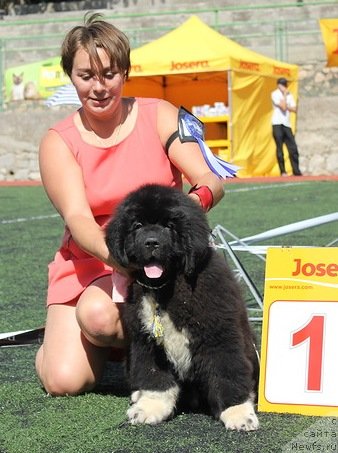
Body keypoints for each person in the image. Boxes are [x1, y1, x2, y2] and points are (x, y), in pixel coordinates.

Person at [35, 12, 225, 396]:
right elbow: (79, 219)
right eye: (86, 76)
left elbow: (210, 181)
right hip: (96, 260)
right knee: (65, 379)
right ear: (70, 76)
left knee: (110, 316)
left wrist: (186, 216)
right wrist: (125, 257)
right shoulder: (58, 142)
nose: (99, 87)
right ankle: (71, 340)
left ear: (125, 71)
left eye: (110, 74)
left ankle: (152, 351)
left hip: (167, 254)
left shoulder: (161, 115)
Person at [271, 77, 302, 176]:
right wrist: (284, 96)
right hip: (277, 123)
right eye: (282, 85)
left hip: (286, 124)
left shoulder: (290, 95)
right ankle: (283, 171)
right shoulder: (275, 94)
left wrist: (286, 103)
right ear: (279, 85)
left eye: (285, 85)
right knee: (280, 148)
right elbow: (284, 107)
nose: (284, 87)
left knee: (293, 147)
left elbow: (294, 109)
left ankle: (296, 171)